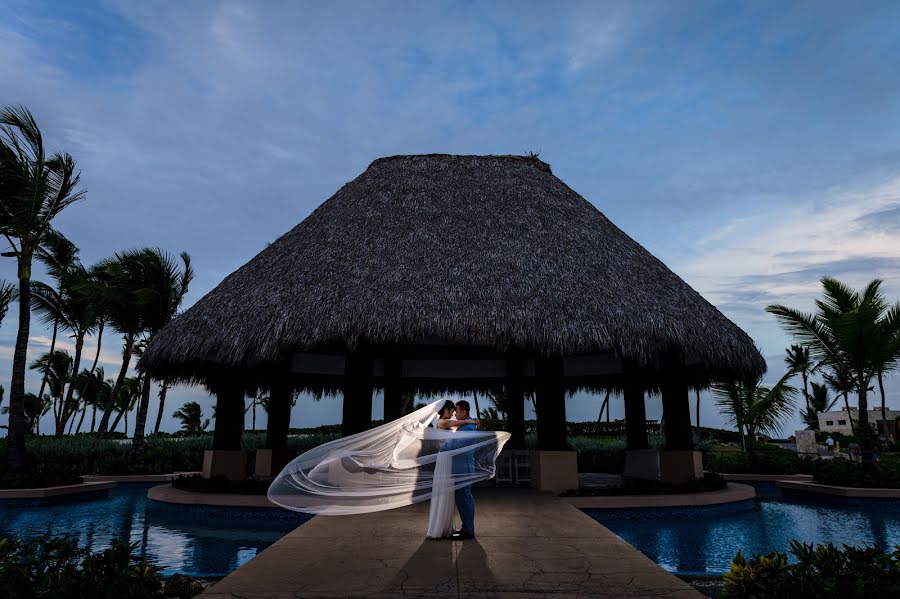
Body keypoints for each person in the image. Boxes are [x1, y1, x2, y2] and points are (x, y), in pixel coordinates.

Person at [450, 400, 478, 540]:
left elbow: (457, 446)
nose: (455, 413)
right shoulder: (466, 426)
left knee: (464, 498)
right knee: (464, 498)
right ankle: (467, 528)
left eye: (457, 411)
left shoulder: (468, 428)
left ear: (464, 412)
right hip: (462, 467)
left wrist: (441, 445)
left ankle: (468, 530)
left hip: (463, 468)